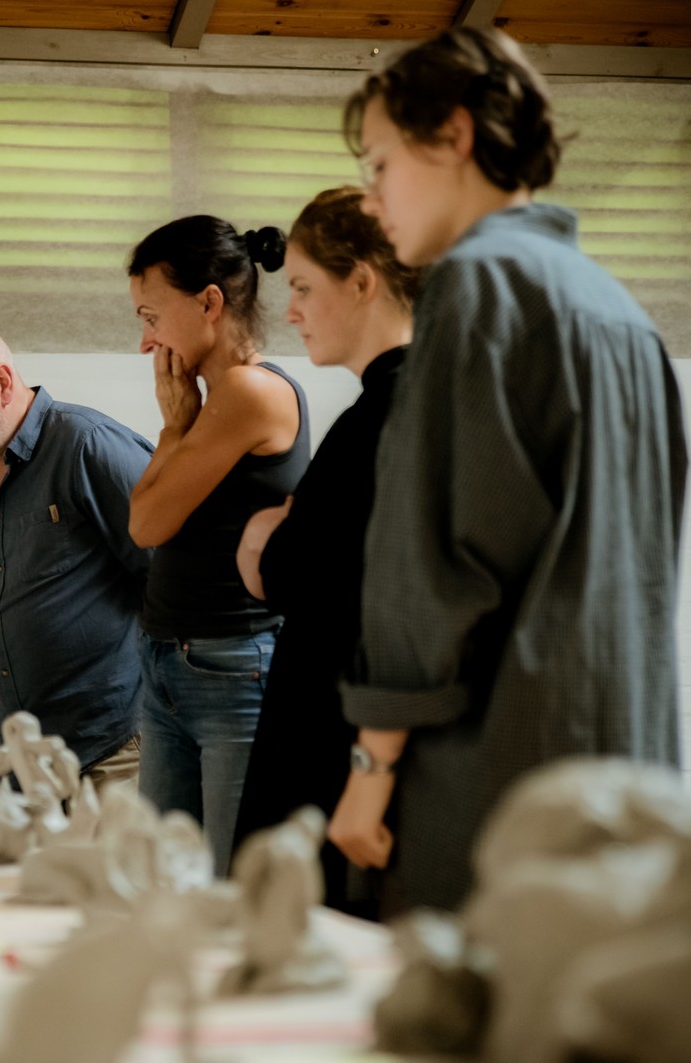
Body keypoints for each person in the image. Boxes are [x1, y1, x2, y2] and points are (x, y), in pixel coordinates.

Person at [330, 26, 689, 912]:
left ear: (453, 135)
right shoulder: (618, 309)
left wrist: (371, 766)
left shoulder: (477, 286)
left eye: (380, 164)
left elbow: (429, 565)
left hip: (490, 771)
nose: (373, 198)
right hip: (620, 764)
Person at [229, 186, 420, 918]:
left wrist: (266, 536)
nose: (292, 311)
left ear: (362, 281)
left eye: (305, 288)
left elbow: (285, 572)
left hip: (335, 740)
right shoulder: (391, 407)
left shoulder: (385, 417)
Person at [126, 216, 311, 877]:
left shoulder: (248, 391)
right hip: (173, 662)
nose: (147, 342)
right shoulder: (213, 400)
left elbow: (146, 524)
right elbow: (144, 515)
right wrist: (176, 425)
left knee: (231, 887)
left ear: (209, 302)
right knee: (163, 882)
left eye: (152, 317)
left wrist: (174, 427)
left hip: (231, 667)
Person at [0, 320, 153, 789]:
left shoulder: (88, 445)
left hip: (111, 748)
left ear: (2, 382)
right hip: (23, 756)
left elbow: (177, 572)